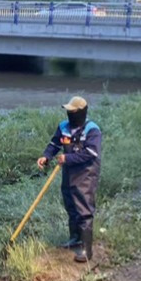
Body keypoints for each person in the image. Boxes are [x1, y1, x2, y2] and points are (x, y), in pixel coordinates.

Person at [37, 96, 101, 263]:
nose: (69, 114)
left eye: (72, 112)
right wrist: (46, 156)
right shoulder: (63, 127)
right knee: (71, 206)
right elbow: (54, 144)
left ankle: (87, 250)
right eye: (68, 111)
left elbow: (91, 153)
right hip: (68, 174)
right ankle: (75, 239)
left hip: (86, 175)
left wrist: (68, 158)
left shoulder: (92, 130)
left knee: (84, 210)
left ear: (81, 113)